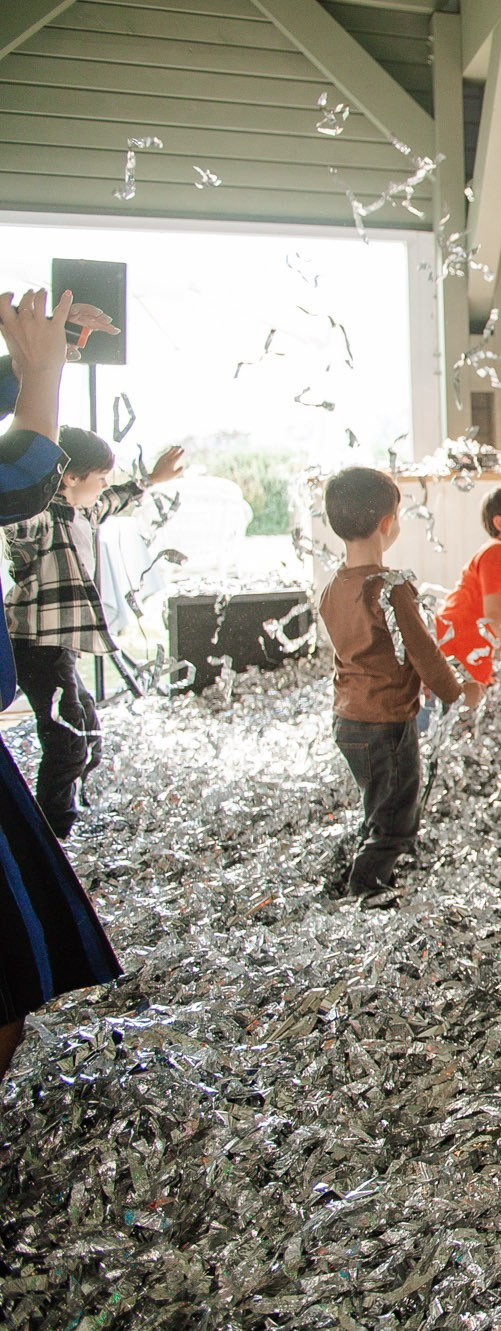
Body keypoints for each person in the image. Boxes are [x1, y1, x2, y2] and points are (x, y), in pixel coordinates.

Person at [0, 287, 122, 1077]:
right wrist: (41, 370)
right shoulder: (41, 507)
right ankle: (60, 811)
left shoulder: (77, 510)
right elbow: (25, 475)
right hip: (36, 646)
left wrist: (49, 361)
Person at [5, 425, 185, 837]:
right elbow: (15, 521)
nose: (105, 485)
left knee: (87, 731)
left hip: (60, 647)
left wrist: (151, 480)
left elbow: (113, 499)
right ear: (70, 477)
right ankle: (51, 834)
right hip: (35, 645)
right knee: (68, 742)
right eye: (99, 477)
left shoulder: (83, 510)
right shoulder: (39, 518)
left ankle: (73, 805)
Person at [319, 468, 483, 901]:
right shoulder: (390, 588)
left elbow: (365, 650)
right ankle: (366, 891)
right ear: (388, 524)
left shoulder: (334, 586)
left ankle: (364, 870)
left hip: (349, 720)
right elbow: (423, 651)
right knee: (397, 817)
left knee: (377, 803)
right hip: (385, 723)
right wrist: (457, 692)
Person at [435, 484, 501, 688]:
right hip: (455, 659)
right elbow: (495, 613)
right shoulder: (498, 552)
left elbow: (500, 627)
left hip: (467, 661)